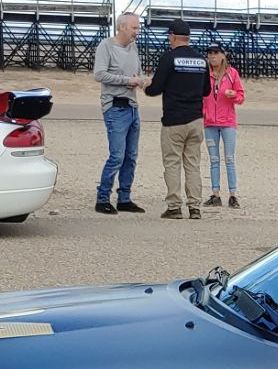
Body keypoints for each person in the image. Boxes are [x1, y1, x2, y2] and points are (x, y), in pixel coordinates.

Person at [144, 18, 209, 219]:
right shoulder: (201, 60)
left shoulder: (169, 58)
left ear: (172, 36)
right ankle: (195, 207)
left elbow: (155, 89)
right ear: (188, 37)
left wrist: (145, 86)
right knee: (193, 164)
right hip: (196, 119)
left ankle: (174, 207)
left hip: (174, 120)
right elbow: (206, 90)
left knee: (172, 163)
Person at [91, 11, 147, 215]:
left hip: (132, 106)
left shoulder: (134, 47)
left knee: (131, 156)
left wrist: (141, 80)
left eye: (138, 27)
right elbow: (99, 74)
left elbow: (137, 73)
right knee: (117, 156)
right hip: (114, 107)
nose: (137, 31)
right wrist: (127, 81)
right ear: (122, 27)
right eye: (134, 27)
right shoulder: (106, 46)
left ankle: (124, 198)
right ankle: (102, 199)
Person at [202, 44, 245, 209]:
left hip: (227, 122)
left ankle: (233, 194)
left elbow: (241, 96)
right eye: (210, 54)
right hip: (210, 122)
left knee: (229, 158)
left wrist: (233, 95)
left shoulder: (231, 73)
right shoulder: (205, 74)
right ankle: (215, 194)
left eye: (215, 53)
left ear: (222, 55)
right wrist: (203, 112)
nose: (212, 56)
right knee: (214, 159)